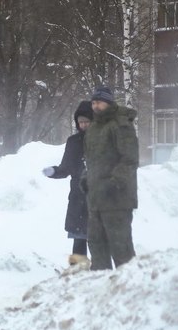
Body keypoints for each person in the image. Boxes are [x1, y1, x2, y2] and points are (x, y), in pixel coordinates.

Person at [81, 86, 138, 270]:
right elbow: (90, 159)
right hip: (96, 200)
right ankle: (101, 289)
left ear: (108, 102)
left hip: (117, 200)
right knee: (97, 247)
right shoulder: (94, 128)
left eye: (99, 102)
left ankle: (131, 290)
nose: (95, 105)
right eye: (93, 102)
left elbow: (129, 159)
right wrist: (85, 177)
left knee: (121, 249)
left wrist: (114, 182)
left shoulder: (121, 124)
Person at [42, 100, 93, 268]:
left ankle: (101, 271)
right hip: (78, 196)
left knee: (97, 238)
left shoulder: (102, 140)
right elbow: (66, 168)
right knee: (79, 238)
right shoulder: (73, 142)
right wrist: (55, 172)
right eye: (81, 122)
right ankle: (77, 272)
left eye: (87, 121)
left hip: (97, 195)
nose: (84, 125)